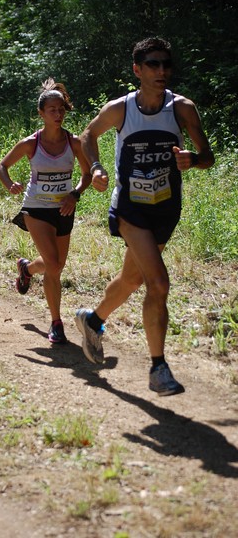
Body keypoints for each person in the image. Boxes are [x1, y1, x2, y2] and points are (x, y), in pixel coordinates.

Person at [75, 37, 215, 396]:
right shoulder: (120, 109)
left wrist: (193, 160)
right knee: (159, 283)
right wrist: (96, 168)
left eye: (166, 64)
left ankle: (92, 320)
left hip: (166, 208)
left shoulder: (182, 108)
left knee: (132, 279)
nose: (161, 71)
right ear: (137, 70)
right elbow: (88, 134)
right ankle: (158, 368)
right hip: (130, 208)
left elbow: (207, 155)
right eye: (153, 64)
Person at [0, 78, 91, 344]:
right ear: (41, 113)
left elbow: (85, 175)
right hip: (35, 208)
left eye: (61, 109)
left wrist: (75, 194)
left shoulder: (74, 143)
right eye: (52, 110)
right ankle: (56, 322)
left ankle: (26, 269)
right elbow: (2, 166)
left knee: (56, 265)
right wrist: (9, 184)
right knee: (54, 265)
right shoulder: (30, 143)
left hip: (64, 209)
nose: (58, 114)